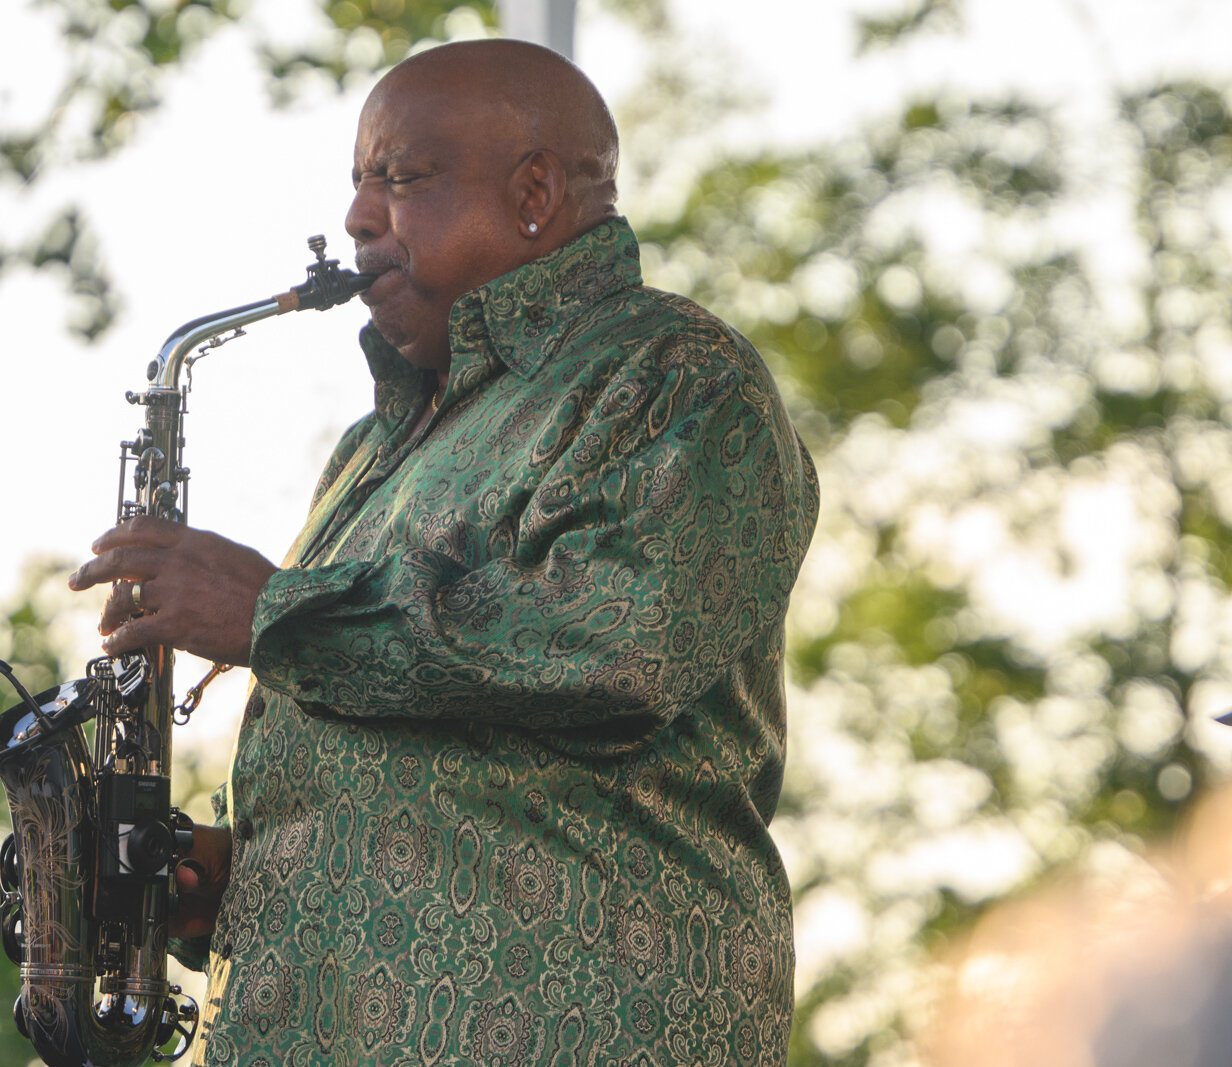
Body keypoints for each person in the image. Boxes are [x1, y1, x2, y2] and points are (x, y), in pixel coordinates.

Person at [68, 38, 819, 1065]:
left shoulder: (672, 371)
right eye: (356, 183)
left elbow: (611, 640)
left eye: (402, 177)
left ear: (534, 193)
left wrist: (275, 616)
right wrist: (250, 880)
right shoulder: (374, 446)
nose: (358, 218)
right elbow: (441, 776)